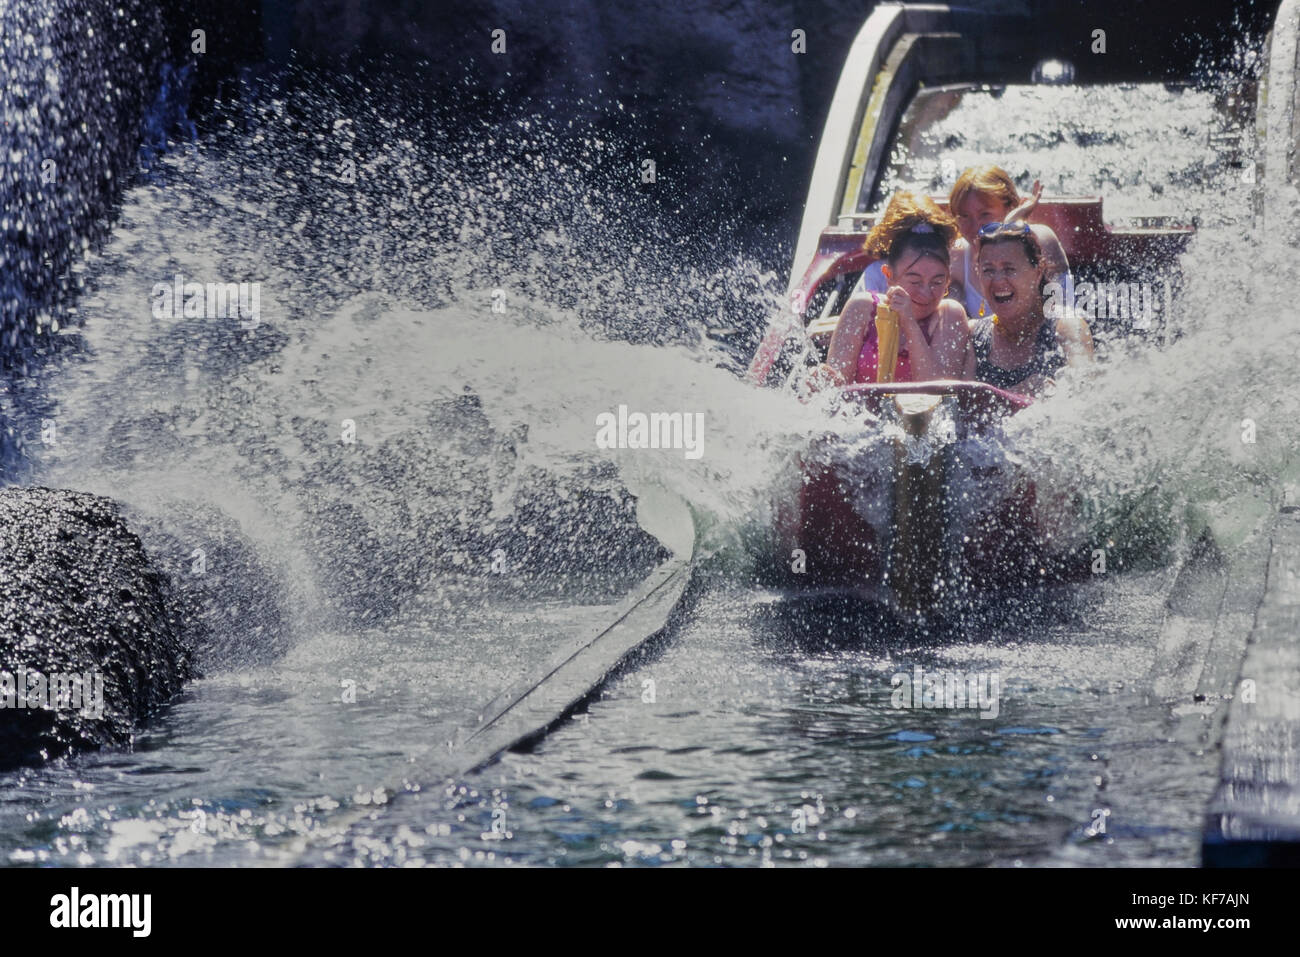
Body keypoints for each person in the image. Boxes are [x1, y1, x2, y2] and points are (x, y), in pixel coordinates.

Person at [821, 192, 973, 386]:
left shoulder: (950, 314)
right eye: (915, 282)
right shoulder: (861, 308)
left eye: (936, 282)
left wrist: (909, 323)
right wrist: (821, 383)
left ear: (948, 280)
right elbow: (836, 391)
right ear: (889, 276)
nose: (926, 293)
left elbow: (937, 393)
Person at [970, 221, 1093, 396]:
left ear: (1038, 272)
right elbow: (954, 407)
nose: (997, 280)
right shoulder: (974, 336)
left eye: (1009, 269)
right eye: (988, 270)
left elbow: (1086, 393)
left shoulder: (1066, 328)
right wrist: (1017, 394)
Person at [948, 166, 1072, 320]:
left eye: (985, 214)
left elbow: (1060, 314)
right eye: (965, 216)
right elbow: (954, 329)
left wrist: (1008, 228)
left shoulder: (1041, 240)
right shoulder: (957, 257)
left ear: (1011, 208)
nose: (975, 227)